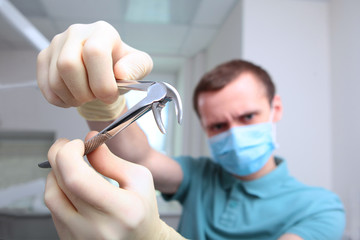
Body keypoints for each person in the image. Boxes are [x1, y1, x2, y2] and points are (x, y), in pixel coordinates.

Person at [38, 21, 345, 240]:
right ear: (204, 127)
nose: (235, 133)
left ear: (275, 109)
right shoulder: (201, 176)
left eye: (248, 116)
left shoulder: (320, 207)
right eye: (219, 125)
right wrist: (100, 101)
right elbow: (140, 156)